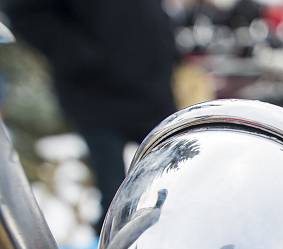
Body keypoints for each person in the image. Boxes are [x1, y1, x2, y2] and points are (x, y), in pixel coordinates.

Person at [6, 0, 177, 227]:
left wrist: (166, 43)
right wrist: (79, 55)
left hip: (151, 86)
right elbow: (25, 13)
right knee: (114, 201)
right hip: (96, 94)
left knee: (173, 189)